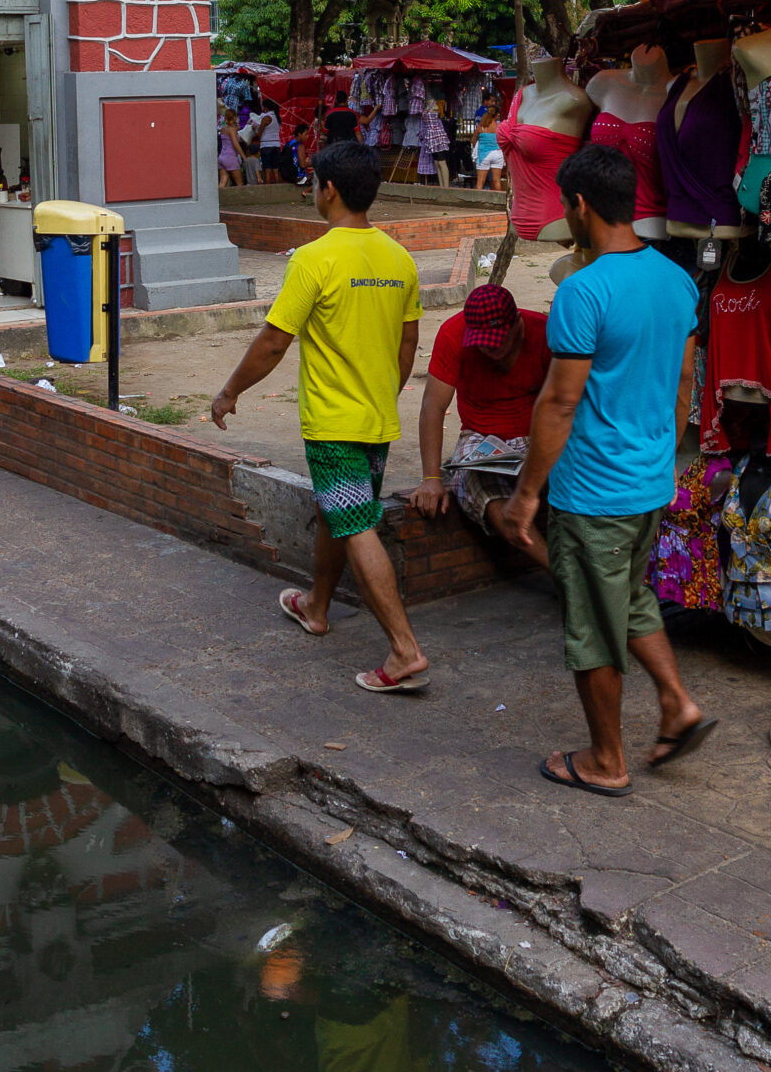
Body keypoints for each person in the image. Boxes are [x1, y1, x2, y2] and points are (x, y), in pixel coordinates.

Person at [500, 143, 713, 794]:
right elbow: (683, 385)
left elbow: (559, 401)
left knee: (592, 626)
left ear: (580, 205)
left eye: (565, 205)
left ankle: (604, 761)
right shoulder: (677, 281)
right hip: (649, 479)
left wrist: (525, 494)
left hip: (593, 489)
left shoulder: (582, 290)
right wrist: (659, 455)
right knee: (628, 597)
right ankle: (676, 703)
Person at [210, 140, 432, 692]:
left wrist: (230, 391)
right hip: (376, 420)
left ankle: (404, 651)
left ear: (328, 190)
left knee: (356, 524)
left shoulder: (314, 258)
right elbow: (409, 344)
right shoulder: (398, 258)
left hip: (333, 425)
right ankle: (316, 606)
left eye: (313, 183)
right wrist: (386, 392)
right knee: (343, 511)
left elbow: (272, 342)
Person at [411, 282, 553, 567]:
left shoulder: (546, 332)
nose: (492, 349)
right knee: (476, 484)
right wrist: (431, 478)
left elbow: (568, 402)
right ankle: (558, 571)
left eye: (499, 340)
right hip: (481, 436)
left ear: (516, 323)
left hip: (538, 430)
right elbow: (433, 407)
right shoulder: (454, 333)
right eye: (484, 342)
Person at [473, 99, 504, 192]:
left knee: (480, 182)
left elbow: (473, 140)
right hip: (498, 154)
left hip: (483, 155)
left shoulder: (481, 127)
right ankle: (500, 203)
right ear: (496, 115)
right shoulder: (500, 127)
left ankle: (478, 204)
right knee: (496, 181)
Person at [218, 106, 244, 187]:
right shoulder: (232, 130)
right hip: (231, 157)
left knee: (222, 183)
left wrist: (236, 128)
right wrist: (244, 157)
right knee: (240, 183)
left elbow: (229, 135)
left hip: (222, 157)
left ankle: (216, 199)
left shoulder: (223, 129)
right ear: (235, 117)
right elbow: (236, 144)